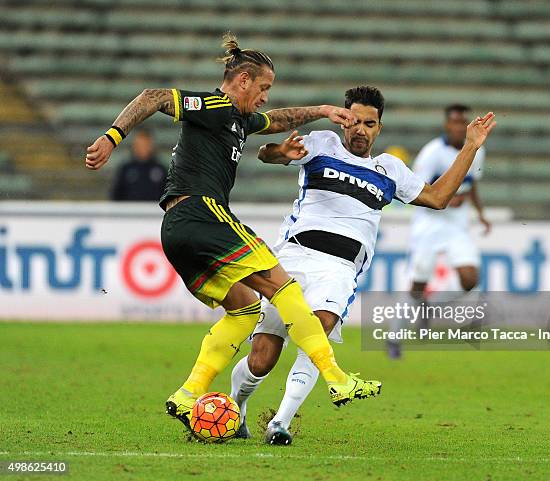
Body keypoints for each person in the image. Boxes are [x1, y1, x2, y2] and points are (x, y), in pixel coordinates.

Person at [84, 32, 382, 432]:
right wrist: (111, 137)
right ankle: (336, 377)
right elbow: (154, 96)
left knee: (244, 309)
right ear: (242, 80)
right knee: (284, 286)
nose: (264, 97)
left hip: (174, 229)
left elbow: (277, 120)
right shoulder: (214, 105)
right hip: (203, 212)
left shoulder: (238, 119)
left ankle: (189, 392)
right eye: (263, 88)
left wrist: (324, 110)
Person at [229, 86, 497, 444]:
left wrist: (470, 146)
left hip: (340, 268)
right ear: (343, 121)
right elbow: (266, 154)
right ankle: (236, 407)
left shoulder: (390, 169)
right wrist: (280, 152)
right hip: (292, 258)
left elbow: (438, 197)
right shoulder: (322, 143)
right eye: (354, 121)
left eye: (369, 124)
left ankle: (280, 422)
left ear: (378, 128)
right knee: (262, 358)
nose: (360, 130)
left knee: (317, 336)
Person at [388, 104, 491, 359]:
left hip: (457, 224)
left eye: (462, 122)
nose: (458, 126)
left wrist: (480, 213)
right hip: (429, 223)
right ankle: (394, 337)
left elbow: (472, 183)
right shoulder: (432, 153)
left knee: (470, 279)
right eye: (454, 122)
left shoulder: (477, 150)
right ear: (447, 125)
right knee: (418, 283)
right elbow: (417, 190)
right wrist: (446, 198)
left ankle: (428, 308)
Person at [110, 129, 167, 201]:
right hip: (130, 211)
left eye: (145, 145)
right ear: (134, 145)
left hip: (155, 211)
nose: (142, 148)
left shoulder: (161, 169)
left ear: (151, 146)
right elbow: (116, 195)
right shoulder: (125, 169)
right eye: (139, 144)